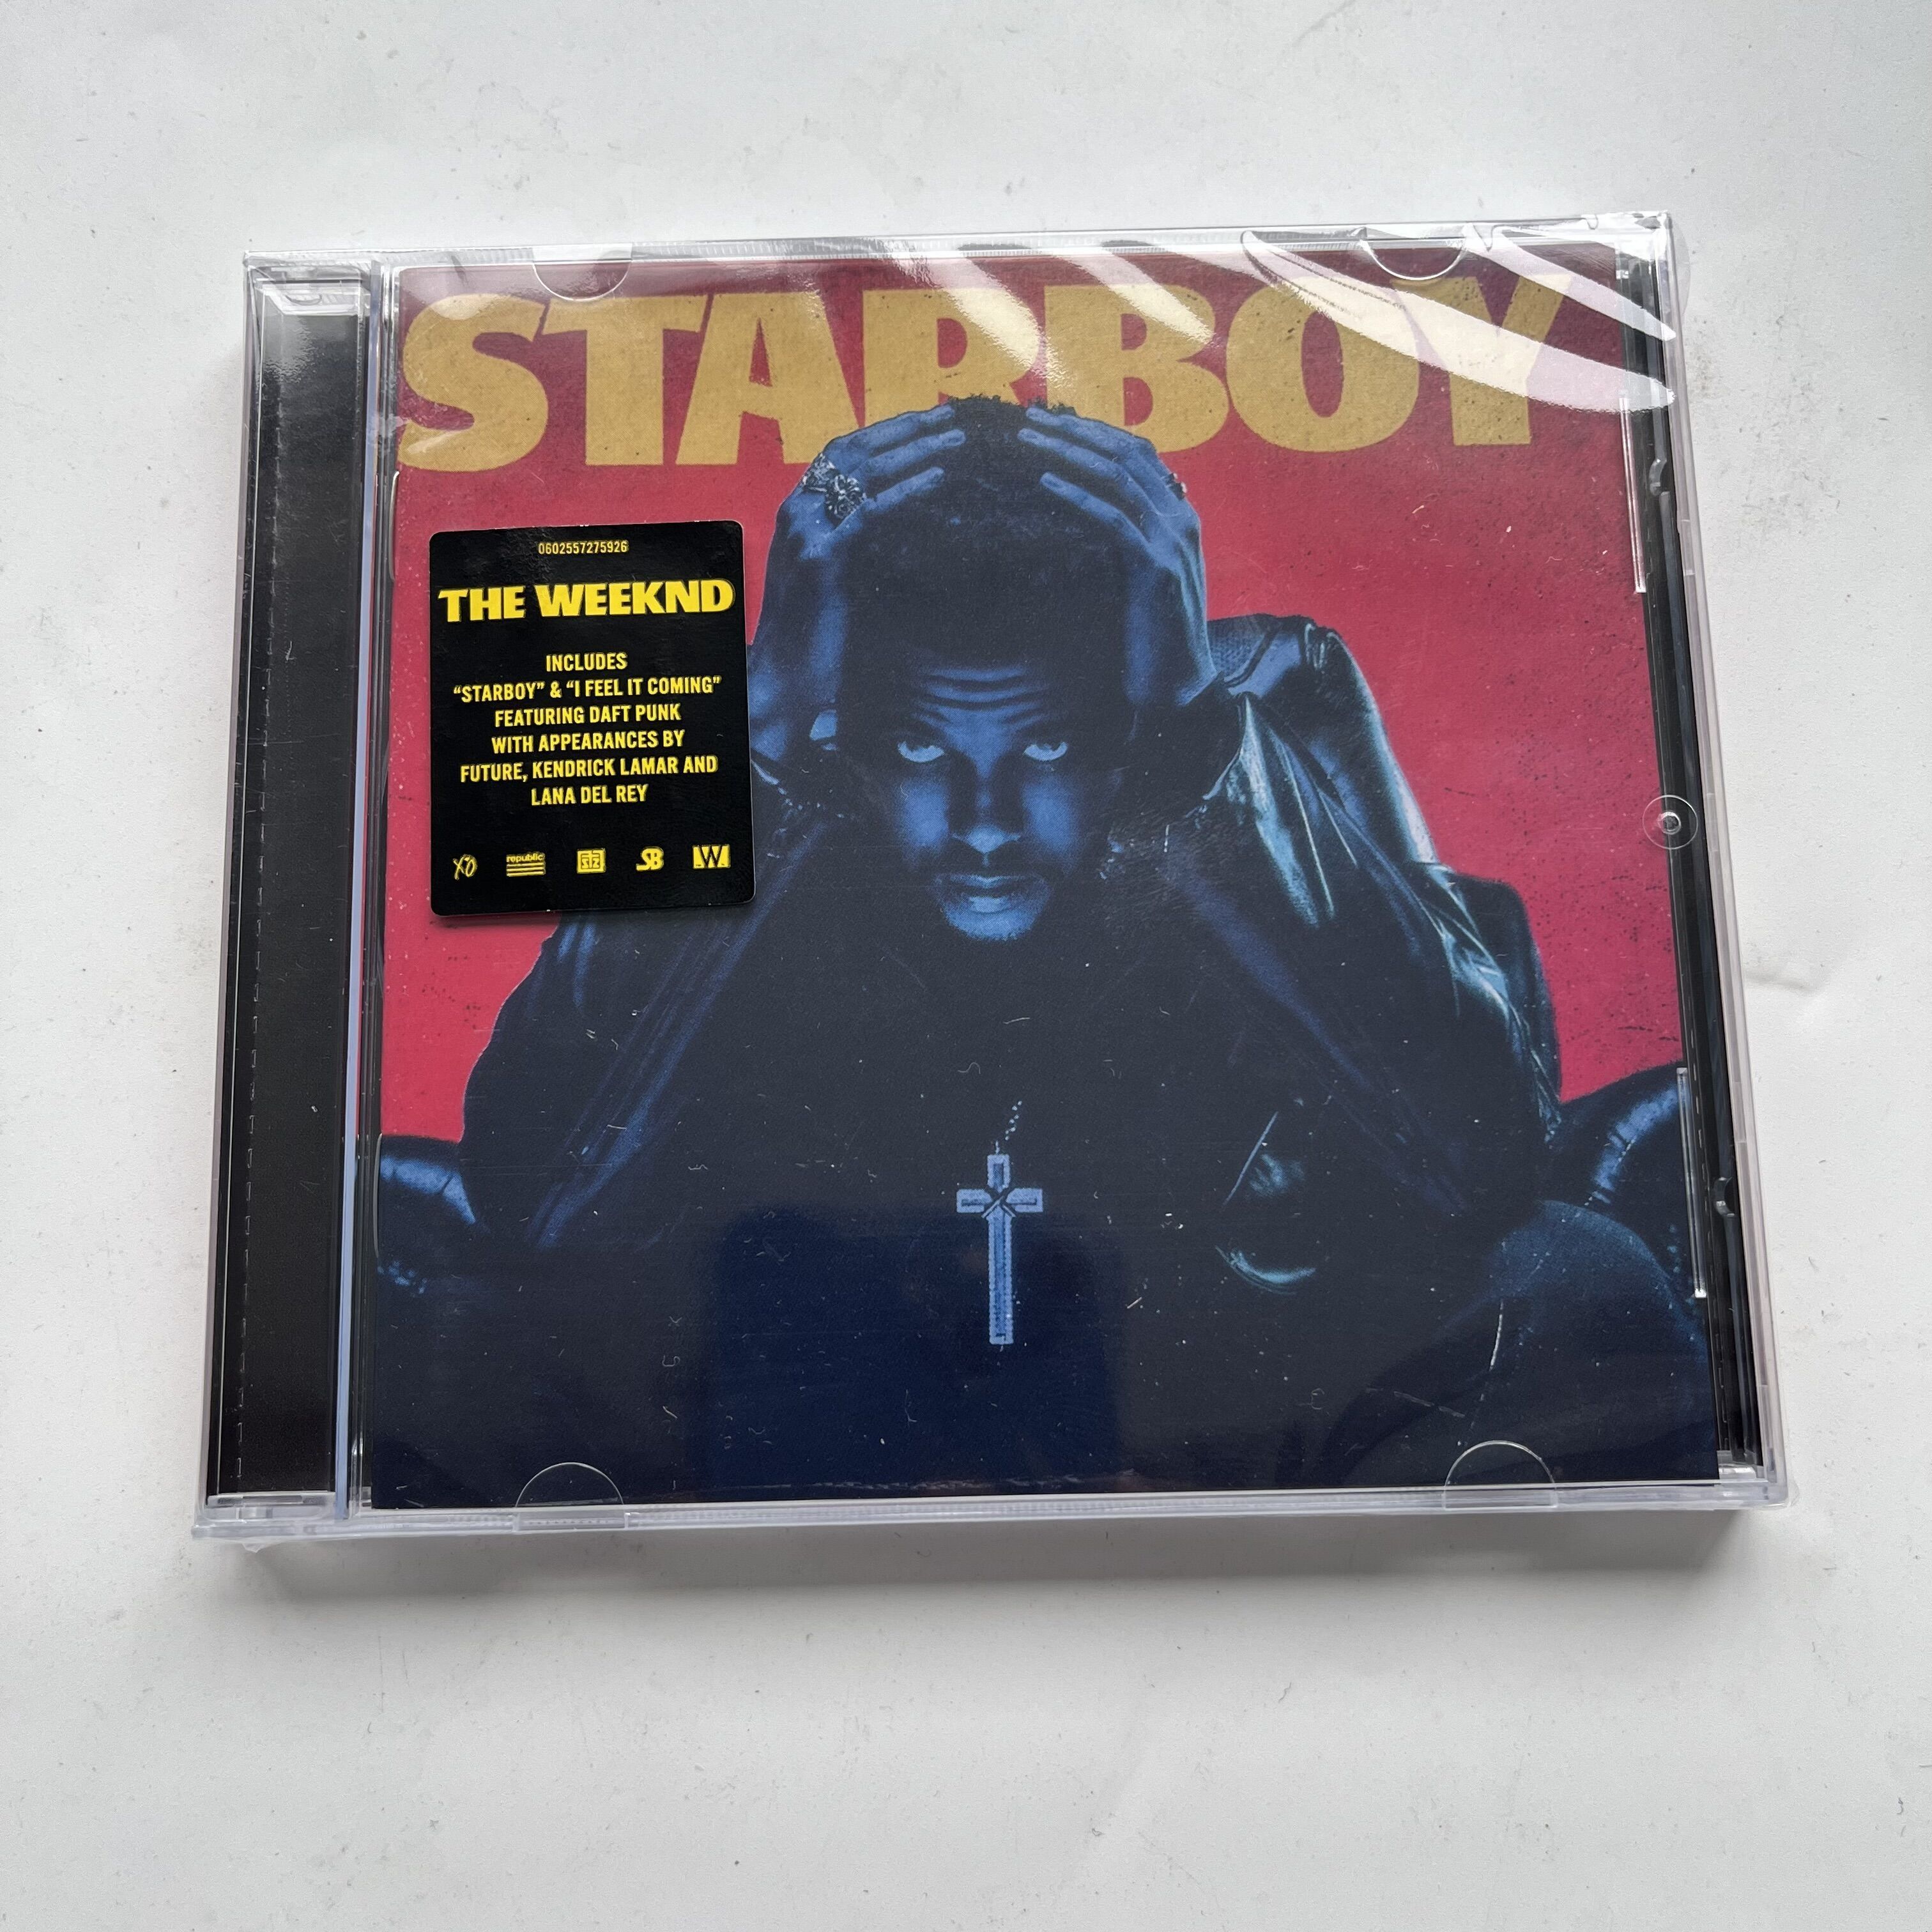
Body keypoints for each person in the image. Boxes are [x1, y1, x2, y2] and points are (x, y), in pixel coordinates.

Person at [372, 398, 1715, 1508]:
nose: (983, 822)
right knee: (433, 1323)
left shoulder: (1250, 707)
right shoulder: (785, 738)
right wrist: (756, 733)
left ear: (1123, 724)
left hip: (1215, 1371)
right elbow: (537, 1198)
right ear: (849, 730)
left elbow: (1480, 1160)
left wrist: (1194, 737)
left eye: (1052, 745)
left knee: (1580, 1289)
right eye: (919, 746)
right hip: (797, 1382)